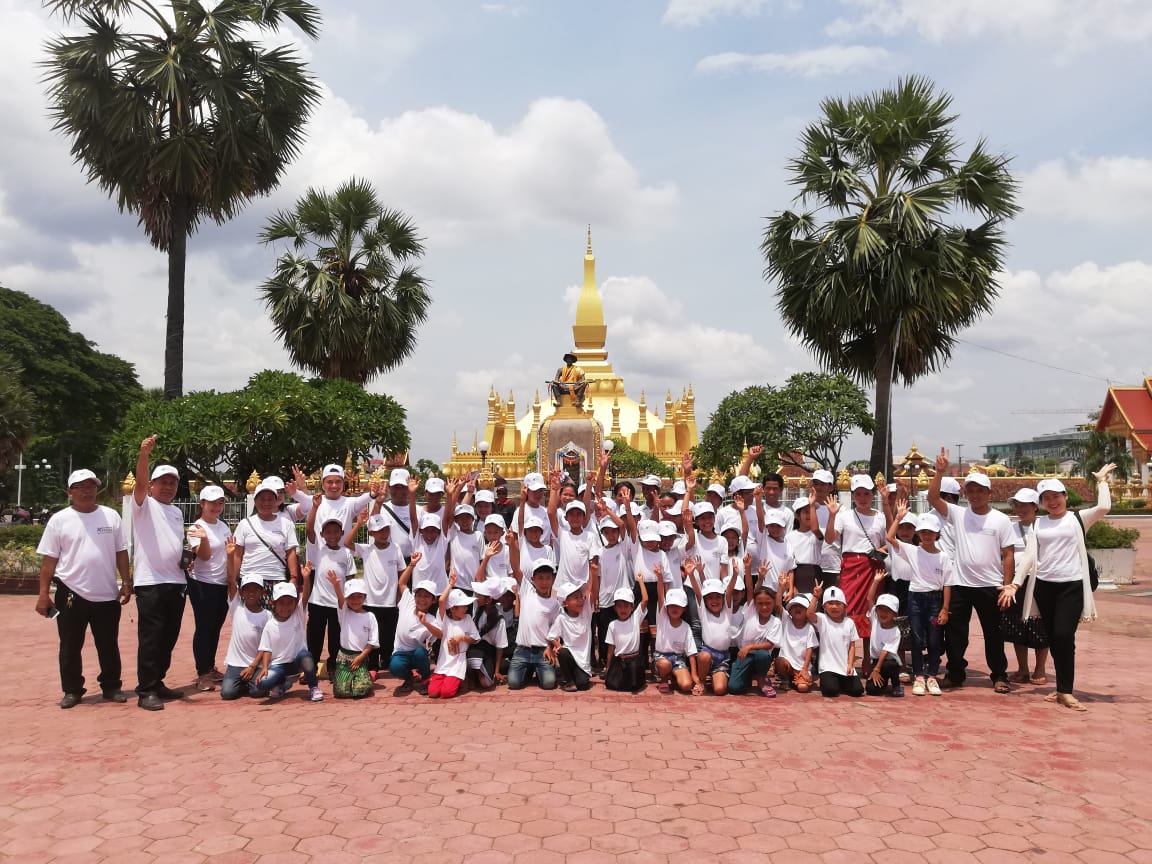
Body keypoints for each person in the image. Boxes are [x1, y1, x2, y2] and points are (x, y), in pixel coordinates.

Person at [1009, 465, 1115, 712]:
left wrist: (1101, 481)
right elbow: (1030, 556)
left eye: (1056, 496)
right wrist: (1015, 583)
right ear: (1041, 502)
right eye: (1046, 498)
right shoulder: (1039, 524)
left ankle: (1066, 691)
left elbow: (1104, 507)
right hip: (1044, 587)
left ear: (1065, 496)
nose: (1052, 501)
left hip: (1072, 586)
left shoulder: (1078, 518)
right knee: (1055, 639)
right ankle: (1061, 689)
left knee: (1064, 635)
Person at [35, 469, 132, 709]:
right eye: (80, 487)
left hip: (106, 592)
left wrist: (126, 582)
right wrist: (43, 594)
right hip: (71, 592)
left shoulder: (110, 516)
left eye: (91, 486)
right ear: (70, 492)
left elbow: (121, 551)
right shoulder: (59, 520)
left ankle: (111, 686)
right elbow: (49, 561)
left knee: (108, 644)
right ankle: (72, 690)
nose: (87, 491)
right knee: (70, 645)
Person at [928, 450, 1017, 693]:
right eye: (971, 491)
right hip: (960, 583)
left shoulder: (1000, 520)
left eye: (980, 491)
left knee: (993, 633)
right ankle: (955, 674)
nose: (975, 495)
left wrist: (1006, 586)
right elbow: (933, 498)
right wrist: (939, 472)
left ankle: (999, 675)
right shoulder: (958, 514)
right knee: (955, 634)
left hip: (990, 585)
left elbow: (1008, 555)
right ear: (965, 493)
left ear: (989, 493)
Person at [129, 435, 189, 711]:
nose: (168, 487)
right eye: (162, 482)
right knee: (151, 638)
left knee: (168, 636)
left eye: (172, 483)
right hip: (150, 582)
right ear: (152, 485)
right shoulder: (143, 505)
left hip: (175, 581)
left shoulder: (176, 512)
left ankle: (158, 681)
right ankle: (146, 690)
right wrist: (144, 455)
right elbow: (139, 483)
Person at [887, 508, 952, 696]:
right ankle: (919, 676)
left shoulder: (943, 557)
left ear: (937, 533)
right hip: (915, 599)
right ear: (918, 533)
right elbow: (890, 538)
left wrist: (945, 608)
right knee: (916, 638)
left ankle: (932, 676)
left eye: (930, 532)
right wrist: (897, 518)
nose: (927, 536)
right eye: (923, 532)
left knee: (933, 638)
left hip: (935, 601)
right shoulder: (912, 551)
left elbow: (947, 584)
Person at [824, 474, 887, 640]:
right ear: (853, 496)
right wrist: (831, 515)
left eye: (866, 493)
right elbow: (829, 539)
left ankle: (869, 652)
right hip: (851, 566)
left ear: (872, 495)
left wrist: (879, 551)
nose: (862, 498)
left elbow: (888, 541)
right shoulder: (844, 516)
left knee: (870, 608)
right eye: (858, 494)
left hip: (872, 566)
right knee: (847, 605)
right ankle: (846, 648)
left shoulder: (880, 517)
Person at [347, 511, 406, 675]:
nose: (383, 533)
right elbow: (347, 542)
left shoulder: (395, 549)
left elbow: (402, 571)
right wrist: (358, 524)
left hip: (390, 601)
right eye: (379, 530)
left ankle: (386, 661)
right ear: (371, 533)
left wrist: (399, 593)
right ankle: (372, 665)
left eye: (386, 529)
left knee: (389, 634)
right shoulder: (366, 549)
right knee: (372, 634)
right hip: (371, 601)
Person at [186, 485, 232, 691]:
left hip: (221, 583)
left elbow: (228, 554)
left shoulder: (223, 527)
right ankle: (202, 672)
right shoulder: (196, 527)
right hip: (202, 583)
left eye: (220, 503)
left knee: (215, 627)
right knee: (204, 627)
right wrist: (204, 537)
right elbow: (204, 556)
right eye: (212, 503)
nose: (216, 507)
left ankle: (210, 667)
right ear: (202, 504)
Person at [1002, 488, 1049, 687]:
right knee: (1017, 625)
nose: (1020, 509)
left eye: (1024, 505)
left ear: (1035, 506)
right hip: (1016, 582)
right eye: (1017, 505)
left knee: (1040, 625)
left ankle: (1040, 668)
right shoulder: (1011, 528)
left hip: (1040, 580)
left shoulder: (1045, 526)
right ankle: (1023, 669)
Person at [251, 575, 323, 702]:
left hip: (297, 663)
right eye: (281, 603)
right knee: (261, 684)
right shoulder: (270, 625)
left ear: (295, 603)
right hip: (278, 666)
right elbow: (266, 649)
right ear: (274, 603)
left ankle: (314, 687)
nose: (285, 607)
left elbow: (306, 596)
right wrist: (265, 667)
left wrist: (306, 578)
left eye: (290, 602)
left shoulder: (298, 615)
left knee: (306, 657)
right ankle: (282, 684)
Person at [232, 479, 301, 608]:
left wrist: (293, 578)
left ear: (276, 501)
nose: (266, 503)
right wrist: (233, 580)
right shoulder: (245, 524)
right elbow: (237, 555)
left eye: (270, 499)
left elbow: (291, 553)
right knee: (249, 618)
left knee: (275, 618)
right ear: (255, 501)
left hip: (276, 579)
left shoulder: (286, 524)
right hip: (249, 580)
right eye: (262, 499)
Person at [305, 503, 355, 677]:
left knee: (336, 637)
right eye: (328, 532)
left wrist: (349, 601)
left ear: (342, 533)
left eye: (336, 532)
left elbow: (350, 578)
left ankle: (334, 666)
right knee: (314, 638)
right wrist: (314, 508)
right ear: (322, 534)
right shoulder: (317, 550)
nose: (332, 535)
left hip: (337, 603)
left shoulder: (346, 553)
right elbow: (309, 530)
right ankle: (311, 668)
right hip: (318, 601)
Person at [507, 559, 562, 690]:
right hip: (522, 650)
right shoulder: (526, 591)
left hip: (543, 651)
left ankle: (540, 670)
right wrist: (513, 546)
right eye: (540, 578)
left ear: (553, 580)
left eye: (548, 578)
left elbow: (554, 631)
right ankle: (529, 670)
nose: (544, 582)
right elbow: (515, 568)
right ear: (533, 579)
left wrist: (550, 647)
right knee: (513, 683)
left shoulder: (555, 604)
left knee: (548, 684)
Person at [219, 566, 271, 701]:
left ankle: (250, 682)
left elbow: (266, 645)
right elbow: (231, 581)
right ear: (241, 593)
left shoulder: (267, 616)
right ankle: (242, 683)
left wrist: (253, 666)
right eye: (247, 590)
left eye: (256, 590)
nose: (251, 593)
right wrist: (230, 557)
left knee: (257, 692)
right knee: (227, 693)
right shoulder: (236, 608)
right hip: (235, 663)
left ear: (262, 592)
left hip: (256, 664)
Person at [425, 575, 480, 699]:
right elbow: (441, 601)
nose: (466, 609)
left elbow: (475, 639)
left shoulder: (468, 619)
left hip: (458, 663)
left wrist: (462, 637)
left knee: (446, 693)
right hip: (444, 662)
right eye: (463, 606)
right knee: (433, 693)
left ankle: (460, 680)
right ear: (453, 609)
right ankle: (441, 681)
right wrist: (451, 584)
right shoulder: (445, 620)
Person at [685, 563, 737, 695]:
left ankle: (715, 676)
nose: (714, 600)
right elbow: (698, 593)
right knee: (704, 656)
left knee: (720, 690)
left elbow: (729, 591)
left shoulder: (727, 611)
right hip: (708, 654)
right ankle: (702, 681)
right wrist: (691, 575)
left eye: (718, 597)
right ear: (705, 601)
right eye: (710, 598)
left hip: (723, 657)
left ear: (723, 598)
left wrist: (735, 575)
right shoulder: (703, 612)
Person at [727, 572, 782, 697]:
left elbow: (769, 645)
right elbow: (750, 589)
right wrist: (748, 569)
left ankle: (761, 678)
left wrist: (750, 647)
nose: (764, 607)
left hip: (759, 656)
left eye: (768, 603)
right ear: (754, 604)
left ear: (774, 603)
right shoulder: (751, 612)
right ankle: (748, 676)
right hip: (744, 656)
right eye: (760, 603)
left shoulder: (776, 622)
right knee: (734, 688)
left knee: (762, 655)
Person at [807, 583, 864, 698]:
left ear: (844, 606)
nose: (834, 607)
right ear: (824, 606)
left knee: (858, 691)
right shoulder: (822, 620)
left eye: (838, 603)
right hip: (828, 668)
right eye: (830, 603)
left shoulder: (849, 623)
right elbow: (809, 614)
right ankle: (835, 683)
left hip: (844, 667)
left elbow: (852, 646)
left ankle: (840, 682)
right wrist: (816, 596)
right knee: (830, 691)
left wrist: (850, 664)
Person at [328, 575, 378, 699]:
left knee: (361, 689)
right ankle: (348, 680)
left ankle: (364, 677)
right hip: (343, 658)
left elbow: (372, 642)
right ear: (346, 598)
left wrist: (360, 658)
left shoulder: (370, 617)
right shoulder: (344, 613)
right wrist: (336, 585)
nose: (355, 600)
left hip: (360, 657)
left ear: (365, 597)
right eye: (351, 597)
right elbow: (340, 599)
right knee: (340, 692)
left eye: (359, 596)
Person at [652, 578, 703, 696]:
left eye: (678, 606)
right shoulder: (662, 618)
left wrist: (694, 675)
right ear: (666, 607)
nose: (675, 608)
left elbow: (691, 653)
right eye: (671, 605)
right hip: (662, 657)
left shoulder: (686, 627)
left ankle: (675, 676)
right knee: (664, 665)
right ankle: (664, 679)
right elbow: (660, 596)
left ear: (684, 608)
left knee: (686, 686)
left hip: (678, 660)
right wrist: (660, 579)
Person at [547, 581, 595, 691]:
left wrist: (594, 574)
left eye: (581, 597)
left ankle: (573, 675)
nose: (580, 601)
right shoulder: (561, 618)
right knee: (562, 652)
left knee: (583, 685)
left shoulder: (586, 614)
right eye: (576, 598)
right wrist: (558, 646)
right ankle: (569, 681)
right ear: (565, 603)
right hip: (569, 655)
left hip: (582, 662)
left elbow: (592, 592)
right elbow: (551, 636)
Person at [604, 580, 649, 693]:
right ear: (615, 608)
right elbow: (611, 648)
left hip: (634, 659)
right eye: (619, 606)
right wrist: (608, 666)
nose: (623, 609)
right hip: (619, 660)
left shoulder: (635, 618)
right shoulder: (612, 625)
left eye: (626, 606)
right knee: (610, 683)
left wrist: (640, 581)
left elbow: (645, 600)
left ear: (632, 607)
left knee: (634, 684)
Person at [864, 578, 904, 697]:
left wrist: (876, 670)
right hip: (877, 660)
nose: (883, 613)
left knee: (889, 665)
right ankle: (884, 682)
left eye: (888, 610)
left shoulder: (895, 632)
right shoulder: (875, 619)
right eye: (880, 609)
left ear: (895, 614)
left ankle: (896, 684)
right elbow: (869, 599)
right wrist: (875, 582)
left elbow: (885, 652)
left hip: (889, 661)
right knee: (871, 689)